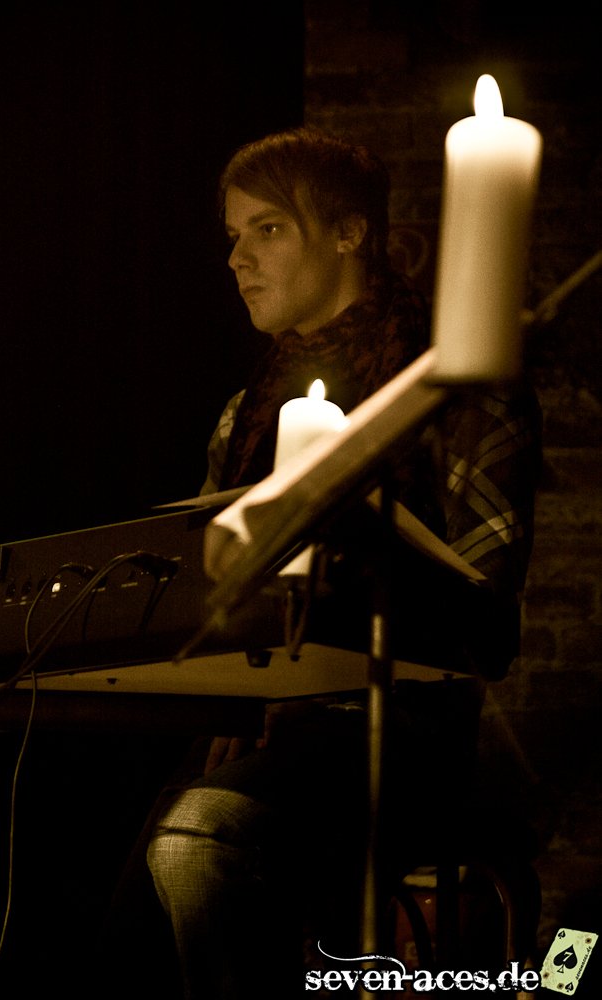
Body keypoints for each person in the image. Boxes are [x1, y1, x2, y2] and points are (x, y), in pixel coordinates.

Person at [145, 128, 543, 999]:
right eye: (232, 236)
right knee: (120, 928)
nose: (236, 258)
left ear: (349, 233)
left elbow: (484, 612)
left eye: (266, 229)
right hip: (249, 725)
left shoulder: (452, 388)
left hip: (398, 731)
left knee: (198, 839)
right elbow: (199, 590)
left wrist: (360, 564)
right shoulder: (244, 411)